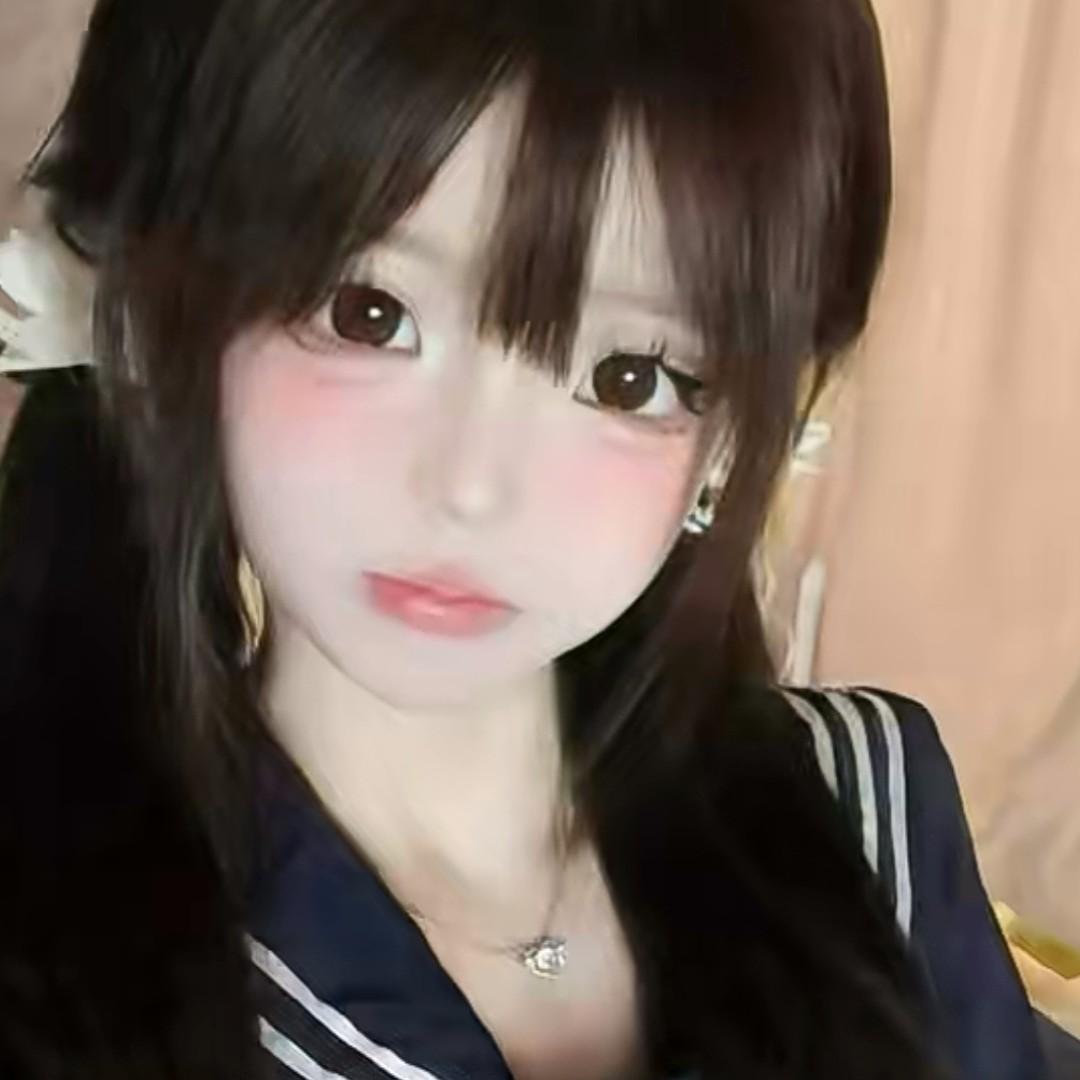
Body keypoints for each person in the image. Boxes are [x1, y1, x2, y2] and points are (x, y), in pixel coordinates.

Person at [0, 1, 1051, 1077]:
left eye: (628, 377)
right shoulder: (57, 962)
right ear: (155, 313)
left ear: (743, 429)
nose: (473, 488)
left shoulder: (870, 826)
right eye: (368, 314)